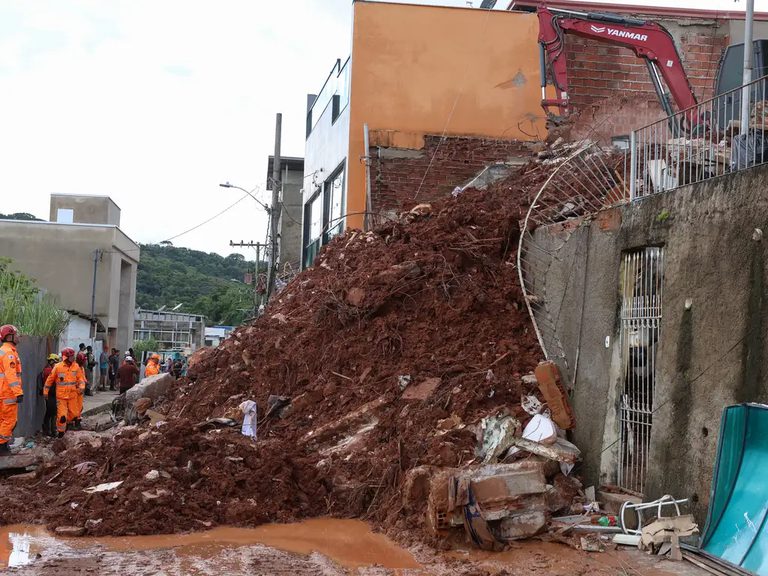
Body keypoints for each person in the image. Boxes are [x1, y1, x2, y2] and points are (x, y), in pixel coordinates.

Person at [44, 348, 86, 436]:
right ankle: (61, 433)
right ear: (66, 357)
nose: (73, 358)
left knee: (75, 414)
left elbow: (80, 379)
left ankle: (68, 426)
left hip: (72, 395)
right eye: (71, 356)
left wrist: (82, 387)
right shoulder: (58, 367)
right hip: (61, 397)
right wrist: (45, 391)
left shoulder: (76, 367)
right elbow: (49, 380)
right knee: (62, 416)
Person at [0, 325, 24, 456]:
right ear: (10, 337)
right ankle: (2, 447)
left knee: (2, 421)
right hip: (7, 394)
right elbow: (11, 375)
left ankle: (2, 445)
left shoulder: (3, 351)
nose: (18, 336)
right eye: (16, 334)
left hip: (2, 393)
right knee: (9, 421)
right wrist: (18, 392)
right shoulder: (9, 353)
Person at [39, 354, 59, 437]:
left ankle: (48, 430)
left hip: (50, 394)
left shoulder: (47, 369)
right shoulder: (49, 370)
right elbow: (51, 383)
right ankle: (51, 431)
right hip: (51, 394)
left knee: (50, 412)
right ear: (52, 362)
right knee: (52, 412)